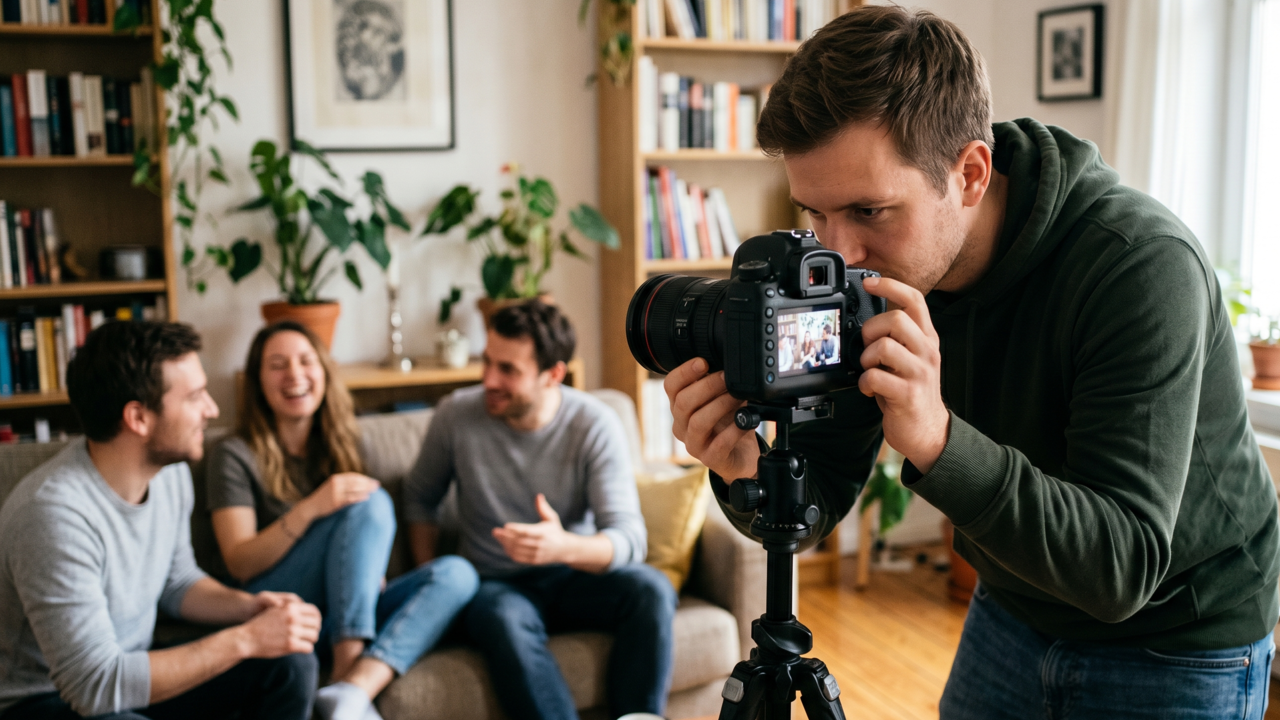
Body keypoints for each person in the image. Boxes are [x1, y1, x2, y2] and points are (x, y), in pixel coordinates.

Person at [663, 6, 1278, 719]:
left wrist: (938, 438)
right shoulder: (871, 279)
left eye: (869, 211)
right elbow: (818, 498)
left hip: (1178, 637)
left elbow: (1121, 567)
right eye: (815, 213)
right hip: (1013, 605)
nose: (839, 253)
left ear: (971, 174)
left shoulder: (1138, 267)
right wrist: (747, 475)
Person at [0, 321, 321, 720]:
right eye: (195, 397)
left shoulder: (168, 471)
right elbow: (93, 685)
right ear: (138, 418)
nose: (212, 409)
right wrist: (246, 639)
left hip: (126, 669)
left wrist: (251, 609)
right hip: (44, 699)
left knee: (290, 665)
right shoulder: (53, 516)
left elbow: (176, 580)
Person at [404, 301, 676, 720]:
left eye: (508, 370)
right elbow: (420, 498)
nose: (489, 379)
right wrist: (433, 582)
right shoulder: (455, 416)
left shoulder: (594, 424)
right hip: (495, 583)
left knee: (651, 590)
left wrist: (562, 547)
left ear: (553, 374)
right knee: (504, 618)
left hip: (573, 575)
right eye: (487, 361)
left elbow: (629, 540)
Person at [206, 321, 479, 720]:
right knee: (370, 503)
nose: (294, 375)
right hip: (276, 605)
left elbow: (361, 543)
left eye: (306, 361)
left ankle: (351, 692)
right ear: (257, 382)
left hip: (344, 607)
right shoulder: (233, 454)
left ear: (324, 371)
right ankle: (346, 663)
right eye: (277, 365)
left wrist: (367, 575)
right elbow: (239, 563)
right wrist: (312, 507)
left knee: (458, 574)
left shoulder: (347, 443)